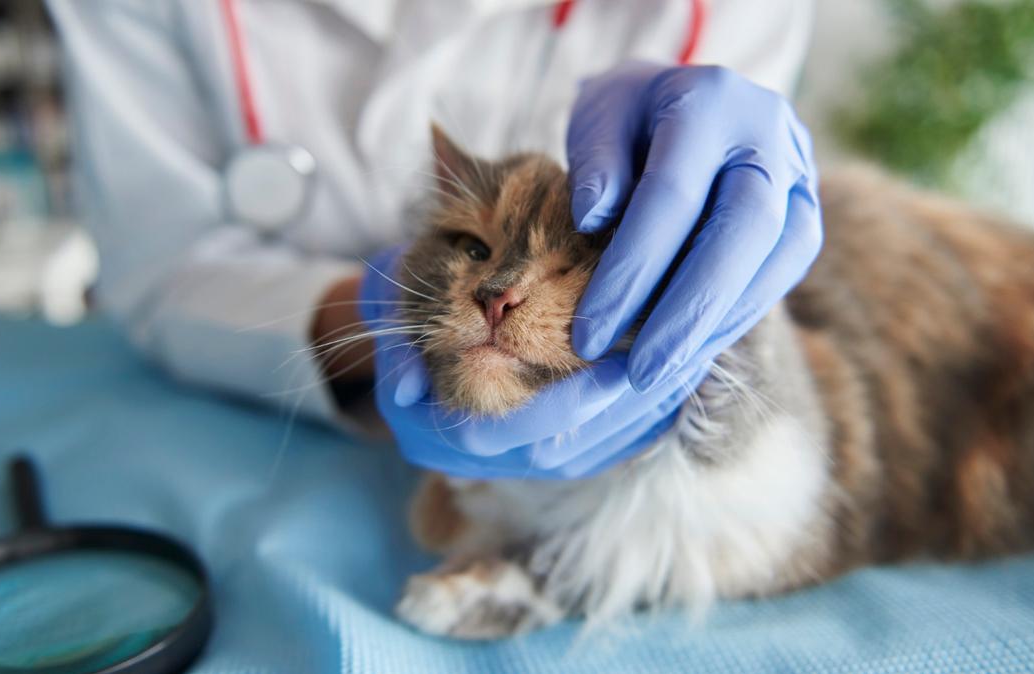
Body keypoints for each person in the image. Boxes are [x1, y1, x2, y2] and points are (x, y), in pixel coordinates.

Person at [47, 0, 821, 479]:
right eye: (480, 257)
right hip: (256, 427)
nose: (501, 292)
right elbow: (161, 264)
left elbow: (715, 241)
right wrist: (378, 320)